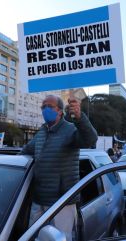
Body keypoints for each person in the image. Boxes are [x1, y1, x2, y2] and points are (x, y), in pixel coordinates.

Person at [20, 95, 97, 241]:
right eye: (43, 107)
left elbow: (91, 139)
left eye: (50, 106)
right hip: (39, 200)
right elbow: (24, 153)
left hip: (62, 203)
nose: (45, 109)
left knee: (61, 238)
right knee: (34, 237)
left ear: (60, 111)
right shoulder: (41, 132)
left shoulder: (70, 130)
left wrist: (80, 117)